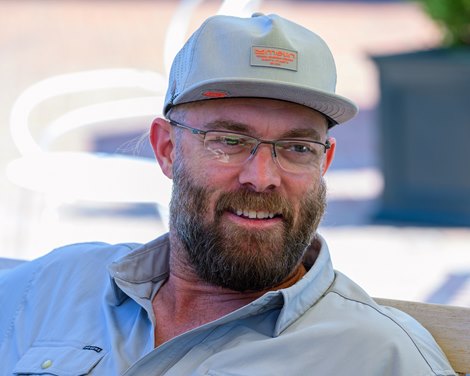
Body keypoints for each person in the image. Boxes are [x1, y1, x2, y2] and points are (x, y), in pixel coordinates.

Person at [0, 13, 455, 376]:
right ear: (166, 150)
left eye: (297, 148)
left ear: (324, 164)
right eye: (229, 140)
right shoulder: (57, 284)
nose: (262, 177)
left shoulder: (381, 357)